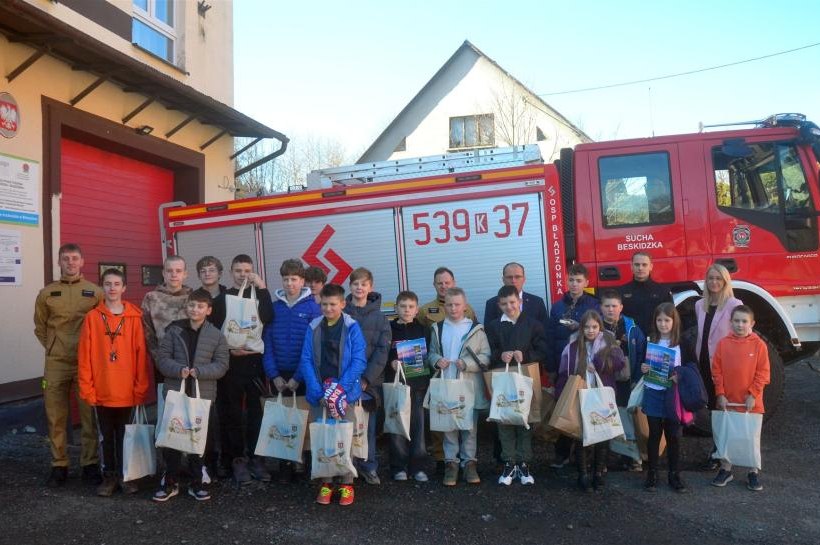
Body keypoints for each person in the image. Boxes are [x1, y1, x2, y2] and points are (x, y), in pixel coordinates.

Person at [34, 242, 103, 487]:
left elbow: (102, 326)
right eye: (66, 258)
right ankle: (59, 465)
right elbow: (40, 327)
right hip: (56, 363)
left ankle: (90, 464)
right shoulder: (47, 293)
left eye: (75, 258)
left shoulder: (95, 292)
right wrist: (54, 347)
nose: (70, 263)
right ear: (59, 262)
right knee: (55, 416)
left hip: (86, 363)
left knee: (88, 416)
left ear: (82, 262)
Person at [77, 268, 149, 496]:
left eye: (117, 284)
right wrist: (87, 388)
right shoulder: (92, 317)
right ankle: (109, 477)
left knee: (126, 437)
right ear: (102, 287)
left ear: (124, 288)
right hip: (102, 390)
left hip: (127, 390)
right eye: (108, 284)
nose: (112, 288)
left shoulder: (134, 317)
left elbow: (141, 355)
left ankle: (126, 477)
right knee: (106, 437)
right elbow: (84, 355)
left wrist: (140, 388)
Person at [153, 289, 229, 502]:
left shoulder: (216, 335)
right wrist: (178, 370)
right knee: (173, 439)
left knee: (198, 440)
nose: (195, 309)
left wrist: (200, 372)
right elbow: (162, 359)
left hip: (202, 395)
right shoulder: (174, 331)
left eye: (200, 306)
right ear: (187, 307)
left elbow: (222, 364)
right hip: (175, 393)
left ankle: (197, 483)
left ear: (209, 310)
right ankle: (170, 482)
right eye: (192, 305)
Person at [298, 283, 367, 506]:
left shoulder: (352, 327)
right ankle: (326, 482)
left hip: (344, 394)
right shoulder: (314, 326)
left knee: (345, 438)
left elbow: (359, 361)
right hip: (319, 394)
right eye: (324, 304)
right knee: (323, 437)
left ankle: (347, 484)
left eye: (333, 304)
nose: (328, 308)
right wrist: (317, 390)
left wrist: (340, 390)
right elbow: (306, 360)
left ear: (343, 304)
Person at [211, 254, 274, 484]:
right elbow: (214, 332)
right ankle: (238, 459)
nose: (242, 275)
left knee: (257, 414)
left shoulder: (259, 295)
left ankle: (256, 458)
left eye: (247, 271)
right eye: (238, 271)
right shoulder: (222, 299)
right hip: (231, 365)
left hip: (255, 364)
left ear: (253, 272)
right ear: (231, 272)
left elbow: (268, 317)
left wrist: (263, 287)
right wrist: (229, 351)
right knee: (233, 414)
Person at [261, 258, 321, 483]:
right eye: (286, 279)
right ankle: (285, 464)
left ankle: (306, 463)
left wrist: (298, 376)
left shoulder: (313, 308)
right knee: (282, 421)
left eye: (294, 279)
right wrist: (274, 375)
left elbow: (313, 347)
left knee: (305, 419)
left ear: (302, 281)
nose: (289, 283)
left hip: (304, 375)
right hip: (280, 375)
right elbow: (266, 343)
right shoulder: (274, 308)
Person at [485, 285, 548, 486]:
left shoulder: (533, 324)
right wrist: (499, 355)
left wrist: (527, 355)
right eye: (504, 304)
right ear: (499, 305)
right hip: (503, 380)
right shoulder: (493, 326)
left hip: (525, 379)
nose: (509, 307)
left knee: (525, 420)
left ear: (519, 302)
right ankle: (509, 463)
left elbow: (543, 350)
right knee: (504, 420)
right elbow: (488, 351)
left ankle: (524, 463)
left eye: (512, 302)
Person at [427, 287, 490, 486]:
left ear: (465, 306)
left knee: (469, 427)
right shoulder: (438, 328)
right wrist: (436, 360)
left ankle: (469, 463)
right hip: (446, 384)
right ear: (444, 306)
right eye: (449, 304)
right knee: (448, 426)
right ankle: (451, 465)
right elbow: (431, 353)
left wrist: (467, 364)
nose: (453, 308)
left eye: (457, 304)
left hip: (468, 387)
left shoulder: (476, 329)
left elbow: (486, 356)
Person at [556, 310, 625, 492]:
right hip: (580, 394)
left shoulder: (608, 341)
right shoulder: (573, 346)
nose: (590, 330)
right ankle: (583, 474)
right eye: (586, 327)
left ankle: (598, 473)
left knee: (602, 434)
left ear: (599, 327)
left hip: (602, 394)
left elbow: (619, 363)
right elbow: (563, 372)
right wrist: (561, 395)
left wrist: (599, 362)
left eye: (594, 326)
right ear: (581, 328)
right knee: (582, 435)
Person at [710, 305, 770, 492]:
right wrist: (720, 394)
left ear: (752, 323)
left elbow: (763, 373)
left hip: (751, 403)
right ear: (730, 322)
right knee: (727, 436)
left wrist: (753, 394)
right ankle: (726, 469)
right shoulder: (723, 344)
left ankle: (752, 472)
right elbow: (716, 371)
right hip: (728, 402)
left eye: (744, 321)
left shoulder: (759, 345)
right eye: (736, 321)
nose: (740, 325)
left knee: (750, 438)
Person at [546, 263, 600, 469]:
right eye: (571, 280)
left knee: (585, 409)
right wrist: (551, 368)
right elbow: (550, 337)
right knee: (565, 407)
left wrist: (580, 327)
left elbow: (599, 334)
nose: (574, 284)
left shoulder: (593, 305)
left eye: (579, 281)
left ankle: (583, 456)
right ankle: (562, 454)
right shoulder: (557, 307)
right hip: (564, 367)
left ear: (586, 283)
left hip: (586, 367)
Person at [344, 267, 391, 485]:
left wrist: (366, 379)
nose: (359, 288)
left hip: (369, 384)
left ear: (370, 287)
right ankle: (347, 467)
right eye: (355, 284)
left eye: (363, 284)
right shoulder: (342, 314)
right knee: (346, 425)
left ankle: (368, 466)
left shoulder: (380, 318)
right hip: (345, 381)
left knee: (367, 427)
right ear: (350, 286)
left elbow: (382, 351)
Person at [695, 264, 743, 471]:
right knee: (713, 408)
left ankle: (723, 452)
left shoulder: (734, 304)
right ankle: (718, 448)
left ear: (725, 281)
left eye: (718, 279)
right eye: (710, 278)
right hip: (705, 363)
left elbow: (741, 336)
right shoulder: (699, 305)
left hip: (725, 366)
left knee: (724, 408)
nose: (714, 282)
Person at [640, 302, 688, 493]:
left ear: (674, 321)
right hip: (652, 391)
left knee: (673, 436)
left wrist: (679, 375)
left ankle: (674, 474)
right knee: (654, 434)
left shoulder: (682, 342)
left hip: (672, 394)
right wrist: (643, 367)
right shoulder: (650, 340)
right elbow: (641, 364)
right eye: (659, 320)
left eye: (667, 320)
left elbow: (691, 367)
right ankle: (652, 473)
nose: (663, 324)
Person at [599, 288, 646, 471]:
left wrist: (637, 378)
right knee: (605, 417)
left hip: (627, 380)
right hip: (605, 381)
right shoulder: (596, 327)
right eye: (607, 306)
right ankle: (604, 460)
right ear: (601, 307)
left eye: (614, 306)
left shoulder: (632, 328)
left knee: (627, 418)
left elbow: (641, 353)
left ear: (621, 307)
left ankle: (632, 457)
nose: (610, 309)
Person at [386, 291, 430, 483]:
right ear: (396, 308)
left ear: (416, 309)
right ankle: (398, 467)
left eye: (411, 307)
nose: (406, 310)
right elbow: (382, 353)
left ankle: (418, 467)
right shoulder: (389, 329)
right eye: (403, 306)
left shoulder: (423, 329)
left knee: (418, 428)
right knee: (397, 427)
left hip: (418, 386)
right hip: (396, 385)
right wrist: (391, 362)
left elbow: (429, 356)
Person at [141, 256, 192, 371]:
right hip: (162, 360)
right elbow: (147, 332)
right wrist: (158, 359)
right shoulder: (151, 298)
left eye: (178, 271)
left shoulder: (193, 298)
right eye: (169, 271)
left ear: (185, 274)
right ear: (163, 273)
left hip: (190, 360)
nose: (174, 275)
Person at [619, 252, 673, 336]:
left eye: (644, 265)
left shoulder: (663, 291)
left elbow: (671, 317)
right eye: (637, 265)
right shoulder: (621, 291)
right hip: (631, 339)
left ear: (651, 267)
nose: (640, 268)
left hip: (655, 339)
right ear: (631, 267)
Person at [483, 262, 548, 325]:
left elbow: (545, 329)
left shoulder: (537, 302)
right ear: (503, 280)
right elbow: (489, 330)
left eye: (517, 277)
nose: (513, 281)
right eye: (509, 277)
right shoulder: (491, 304)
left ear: (524, 279)